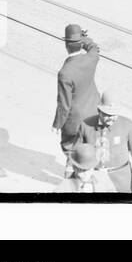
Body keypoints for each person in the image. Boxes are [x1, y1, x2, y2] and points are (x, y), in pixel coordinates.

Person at [76, 91, 132, 194]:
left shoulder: (128, 125)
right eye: (107, 114)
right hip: (95, 178)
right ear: (99, 111)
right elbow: (77, 152)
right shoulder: (85, 125)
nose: (111, 118)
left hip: (122, 179)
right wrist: (71, 176)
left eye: (114, 114)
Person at [52, 23, 101, 166]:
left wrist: (57, 124)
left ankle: (73, 175)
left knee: (70, 150)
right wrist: (84, 39)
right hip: (93, 114)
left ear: (66, 45)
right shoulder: (91, 58)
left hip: (75, 122)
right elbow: (93, 47)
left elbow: (64, 104)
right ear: (80, 43)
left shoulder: (65, 73)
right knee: (90, 147)